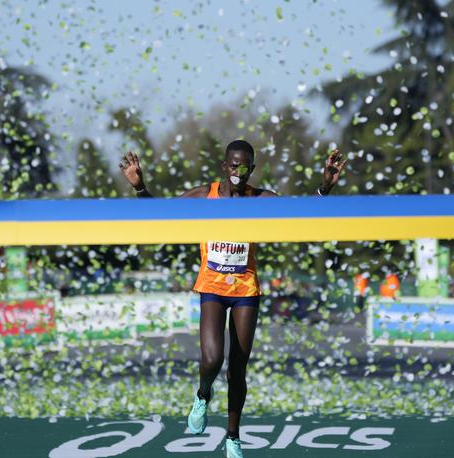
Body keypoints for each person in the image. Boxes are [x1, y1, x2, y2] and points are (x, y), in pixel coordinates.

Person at [119, 139, 346, 458]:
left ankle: (233, 437)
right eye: (233, 165)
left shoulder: (261, 198)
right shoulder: (204, 195)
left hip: (245, 292)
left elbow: (301, 213)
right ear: (224, 167)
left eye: (245, 166)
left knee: (237, 368)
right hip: (212, 288)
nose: (238, 171)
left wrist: (325, 187)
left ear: (251, 169)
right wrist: (141, 187)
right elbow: (162, 215)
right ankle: (202, 395)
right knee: (212, 359)